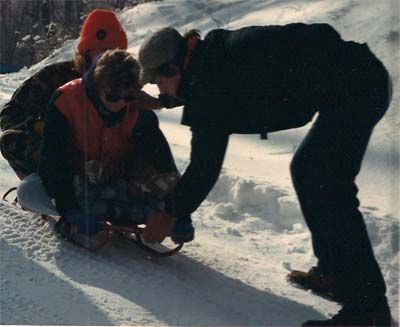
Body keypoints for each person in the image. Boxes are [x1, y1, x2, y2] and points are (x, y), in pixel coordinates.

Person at [137, 25, 392, 326]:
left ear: (174, 67)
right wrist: (163, 101)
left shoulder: (209, 77)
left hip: (358, 85)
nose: (157, 87)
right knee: (309, 170)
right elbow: (209, 88)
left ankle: (368, 309)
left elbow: (205, 166)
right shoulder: (208, 59)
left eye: (157, 81)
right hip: (355, 78)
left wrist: (170, 212)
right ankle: (334, 273)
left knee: (328, 185)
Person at [16, 49, 194, 247]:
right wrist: (70, 210)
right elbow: (52, 164)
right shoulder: (65, 102)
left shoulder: (139, 112)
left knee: (154, 201)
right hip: (76, 181)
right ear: (97, 86)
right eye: (112, 97)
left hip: (117, 184)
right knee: (29, 191)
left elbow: (162, 167)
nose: (120, 104)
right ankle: (99, 212)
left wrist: (179, 213)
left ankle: (112, 211)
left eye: (127, 98)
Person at [0, 9, 158, 180]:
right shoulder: (55, 76)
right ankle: (43, 190)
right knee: (11, 141)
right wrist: (41, 128)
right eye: (102, 51)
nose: (107, 58)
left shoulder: (125, 82)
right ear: (87, 51)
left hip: (107, 159)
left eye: (114, 52)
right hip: (62, 154)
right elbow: (10, 113)